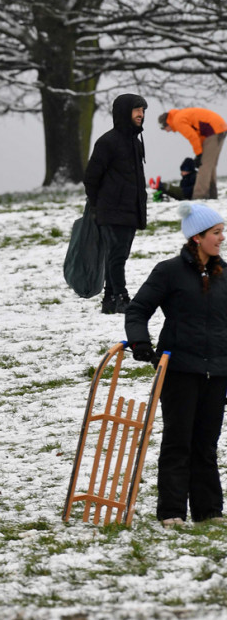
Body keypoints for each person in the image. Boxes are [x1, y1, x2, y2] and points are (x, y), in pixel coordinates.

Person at [125, 202, 227, 527]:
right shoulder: (169, 271)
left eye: (222, 231)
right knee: (178, 441)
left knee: (206, 444)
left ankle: (208, 512)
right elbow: (138, 309)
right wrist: (141, 343)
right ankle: (171, 512)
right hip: (180, 369)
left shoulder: (224, 275)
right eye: (216, 232)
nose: (222, 238)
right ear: (197, 237)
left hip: (218, 372)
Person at [84, 93, 148, 315]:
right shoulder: (107, 142)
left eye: (142, 110)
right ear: (124, 112)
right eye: (136, 110)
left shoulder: (135, 143)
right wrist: (97, 205)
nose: (141, 114)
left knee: (118, 255)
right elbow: (91, 178)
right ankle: (121, 297)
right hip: (111, 209)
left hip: (130, 209)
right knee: (118, 255)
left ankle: (110, 299)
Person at [159, 108, 227, 199]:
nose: (167, 131)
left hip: (213, 130)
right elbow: (199, 133)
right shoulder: (179, 116)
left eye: (164, 128)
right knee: (210, 165)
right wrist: (200, 153)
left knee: (204, 165)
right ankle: (212, 195)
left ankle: (199, 196)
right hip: (218, 128)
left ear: (166, 123)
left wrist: (199, 154)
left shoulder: (177, 121)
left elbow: (193, 137)